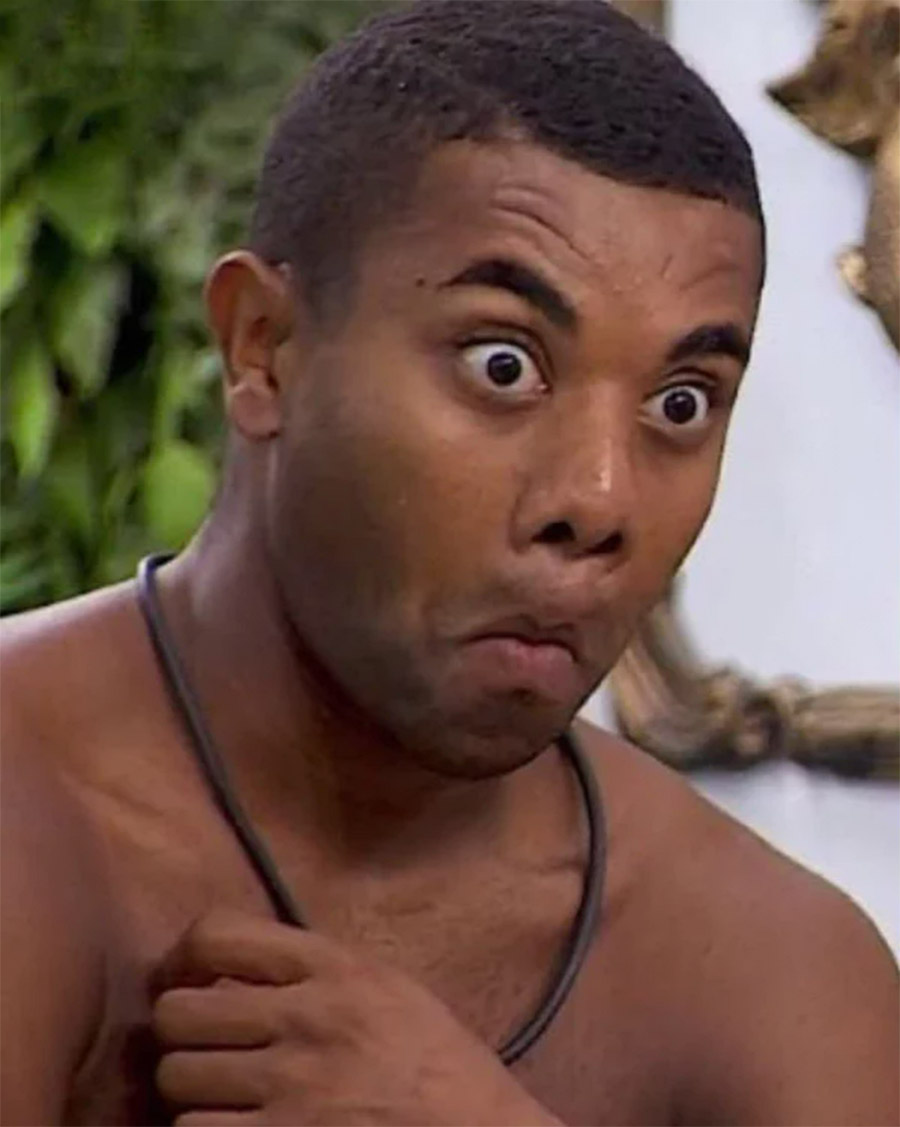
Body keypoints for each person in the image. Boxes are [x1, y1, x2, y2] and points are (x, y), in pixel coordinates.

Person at [1, 2, 897, 1124]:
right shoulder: (28, 798)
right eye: (503, 365)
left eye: (681, 403)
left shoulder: (782, 972)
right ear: (263, 347)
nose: (599, 499)